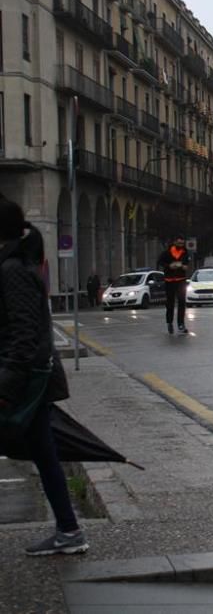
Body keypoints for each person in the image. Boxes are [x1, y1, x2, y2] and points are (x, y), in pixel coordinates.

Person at [0, 196, 88, 556]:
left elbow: (24, 332)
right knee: (45, 453)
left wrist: (6, 386)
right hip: (27, 379)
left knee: (45, 453)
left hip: (23, 381)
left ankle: (70, 530)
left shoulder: (12, 270)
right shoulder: (15, 265)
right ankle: (69, 530)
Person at [157, 236, 190, 334]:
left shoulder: (185, 252)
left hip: (181, 280)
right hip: (169, 280)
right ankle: (169, 322)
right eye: (179, 243)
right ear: (174, 242)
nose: (181, 245)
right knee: (170, 303)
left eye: (182, 243)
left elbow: (186, 264)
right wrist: (169, 266)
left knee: (181, 301)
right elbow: (160, 262)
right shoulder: (167, 252)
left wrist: (184, 266)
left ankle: (181, 324)